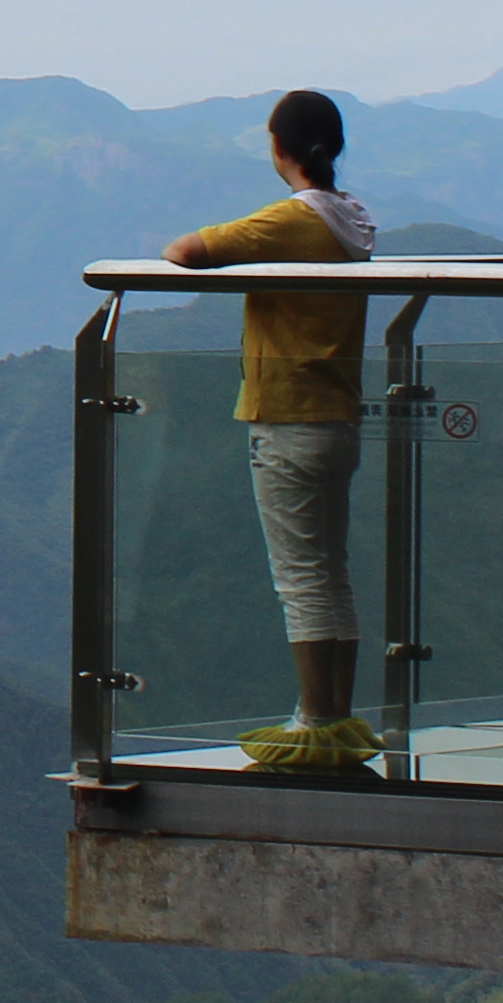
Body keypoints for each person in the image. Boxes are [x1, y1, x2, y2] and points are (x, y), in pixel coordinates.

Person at [166, 87, 377, 771]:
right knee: (330, 574)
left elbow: (186, 251)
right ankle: (334, 715)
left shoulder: (291, 223)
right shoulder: (353, 219)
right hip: (340, 416)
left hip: (287, 418)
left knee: (302, 579)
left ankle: (315, 721)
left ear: (279, 148)